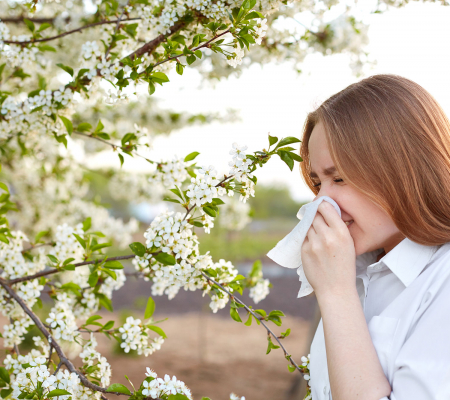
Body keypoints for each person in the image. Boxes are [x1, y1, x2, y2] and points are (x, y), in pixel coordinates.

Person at [298, 74, 450, 400]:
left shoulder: (442, 279)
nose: (321, 203)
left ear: (403, 168)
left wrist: (336, 294)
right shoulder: (356, 270)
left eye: (338, 178)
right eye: (317, 182)